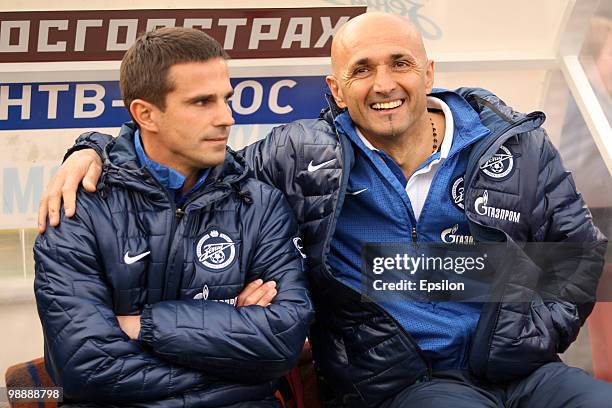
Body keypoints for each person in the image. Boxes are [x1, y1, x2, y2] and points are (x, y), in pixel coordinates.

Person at [39, 13, 611, 408]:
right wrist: (92, 148)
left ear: (429, 73)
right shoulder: (302, 156)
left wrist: (521, 340)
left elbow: (579, 255)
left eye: (400, 64)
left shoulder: (513, 145)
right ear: (336, 89)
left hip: (529, 370)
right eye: (361, 70)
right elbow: (192, 151)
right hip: (408, 385)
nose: (383, 84)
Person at [34, 27, 313, 407]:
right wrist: (234, 357)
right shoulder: (75, 205)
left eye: (225, 99)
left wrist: (143, 325)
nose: (226, 117)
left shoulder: (260, 204)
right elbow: (87, 367)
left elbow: (282, 342)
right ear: (145, 114)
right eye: (202, 102)